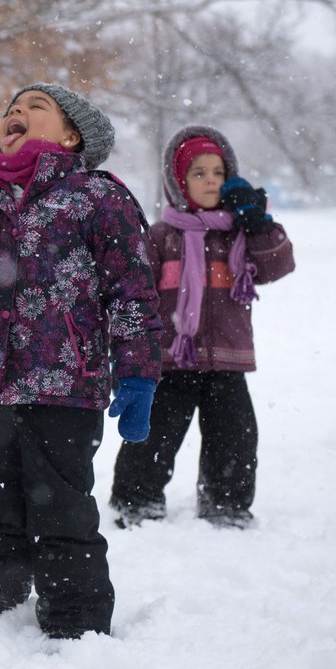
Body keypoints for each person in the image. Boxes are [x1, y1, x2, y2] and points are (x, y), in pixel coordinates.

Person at [0, 83, 162, 639]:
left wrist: (138, 373)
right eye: (10, 110)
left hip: (66, 385)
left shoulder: (97, 196)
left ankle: (75, 619)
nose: (17, 114)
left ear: (72, 135)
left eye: (36, 108)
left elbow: (132, 292)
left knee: (63, 507)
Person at [110, 125, 295, 530]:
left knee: (234, 436)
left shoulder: (240, 235)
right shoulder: (160, 237)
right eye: (199, 173)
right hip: (172, 359)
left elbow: (278, 265)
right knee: (154, 434)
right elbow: (134, 293)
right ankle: (136, 499)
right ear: (179, 183)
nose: (211, 180)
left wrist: (258, 222)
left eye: (218, 172)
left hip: (228, 358)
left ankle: (226, 503)